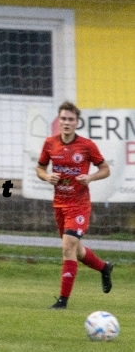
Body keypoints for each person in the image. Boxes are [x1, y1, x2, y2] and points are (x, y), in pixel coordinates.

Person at [36, 101, 113, 309]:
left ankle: (63, 301)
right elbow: (40, 168)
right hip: (59, 205)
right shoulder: (50, 144)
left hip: (79, 205)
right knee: (76, 250)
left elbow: (106, 169)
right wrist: (46, 176)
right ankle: (104, 267)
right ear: (58, 121)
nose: (66, 123)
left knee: (68, 245)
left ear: (77, 122)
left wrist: (91, 177)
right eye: (63, 119)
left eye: (71, 119)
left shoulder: (87, 146)